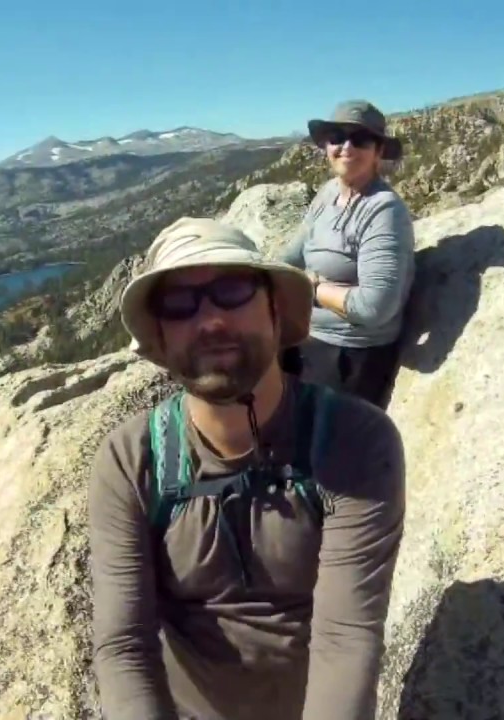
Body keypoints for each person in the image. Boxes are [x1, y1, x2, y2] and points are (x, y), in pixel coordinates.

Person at [88, 216, 406, 720]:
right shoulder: (131, 461)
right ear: (161, 337)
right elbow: (124, 643)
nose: (210, 320)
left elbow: (346, 635)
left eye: (232, 290)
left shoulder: (353, 441)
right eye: (178, 303)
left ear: (276, 310)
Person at [277, 100, 417, 410]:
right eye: (337, 137)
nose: (346, 147)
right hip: (308, 337)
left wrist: (312, 288)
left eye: (361, 139)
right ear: (326, 146)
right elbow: (292, 256)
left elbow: (374, 307)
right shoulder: (328, 193)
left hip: (349, 355)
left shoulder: (383, 211)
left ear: (378, 152)